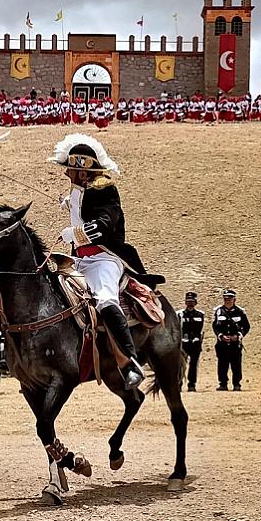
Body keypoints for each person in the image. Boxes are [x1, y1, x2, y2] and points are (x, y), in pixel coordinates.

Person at [50, 134, 162, 390]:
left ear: (83, 171)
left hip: (104, 258)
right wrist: (71, 205)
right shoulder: (80, 191)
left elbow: (103, 226)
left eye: (71, 169)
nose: (66, 173)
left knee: (104, 299)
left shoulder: (106, 190)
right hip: (78, 260)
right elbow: (83, 208)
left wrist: (73, 233)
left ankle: (130, 363)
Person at [212, 289, 251, 391]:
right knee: (222, 364)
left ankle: (236, 384)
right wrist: (221, 336)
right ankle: (223, 384)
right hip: (222, 343)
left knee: (236, 364)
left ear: (234, 299)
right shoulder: (218, 311)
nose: (227, 300)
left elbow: (246, 326)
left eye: (229, 298)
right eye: (225, 299)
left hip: (235, 344)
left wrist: (238, 336)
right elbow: (215, 326)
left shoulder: (240, 312)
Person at [177, 291, 205, 392]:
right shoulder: (180, 314)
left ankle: (192, 384)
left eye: (192, 301)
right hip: (183, 343)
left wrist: (198, 339)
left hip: (195, 343)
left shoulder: (200, 314)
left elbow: (201, 329)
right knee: (181, 365)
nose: (190, 303)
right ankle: (179, 383)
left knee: (193, 365)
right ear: (185, 302)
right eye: (188, 301)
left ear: (195, 303)